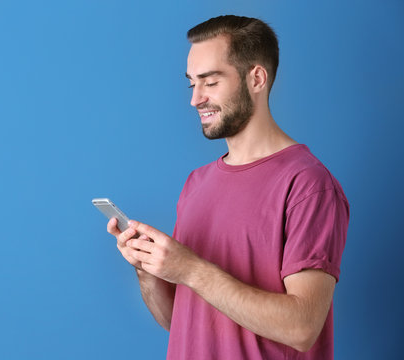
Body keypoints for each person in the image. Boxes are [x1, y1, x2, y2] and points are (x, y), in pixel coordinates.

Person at [107, 15, 349, 359]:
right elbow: (180, 320)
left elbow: (302, 328)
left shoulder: (308, 184)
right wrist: (148, 270)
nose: (195, 99)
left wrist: (190, 268)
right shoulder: (196, 183)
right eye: (191, 83)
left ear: (257, 78)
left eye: (210, 81)